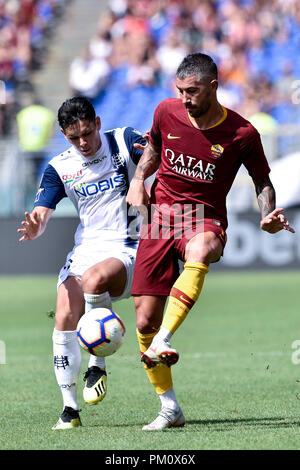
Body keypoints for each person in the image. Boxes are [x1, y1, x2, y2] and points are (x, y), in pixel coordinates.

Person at [126, 52, 295, 431]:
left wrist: (267, 211)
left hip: (204, 218)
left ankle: (164, 339)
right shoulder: (166, 111)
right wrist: (139, 181)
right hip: (159, 218)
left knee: (202, 248)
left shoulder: (242, 133)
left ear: (213, 87)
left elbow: (262, 181)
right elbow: (153, 149)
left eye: (193, 91)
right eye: (181, 91)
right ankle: (169, 408)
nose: (185, 98)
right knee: (143, 319)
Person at [18, 96, 145, 430]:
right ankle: (70, 409)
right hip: (87, 246)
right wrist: (37, 226)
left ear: (98, 123)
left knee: (93, 280)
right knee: (63, 315)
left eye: (88, 133)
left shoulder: (124, 141)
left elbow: (155, 156)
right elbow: (43, 210)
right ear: (63, 134)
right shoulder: (59, 167)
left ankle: (97, 364)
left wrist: (141, 179)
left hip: (129, 245)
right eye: (74, 137)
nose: (83, 143)